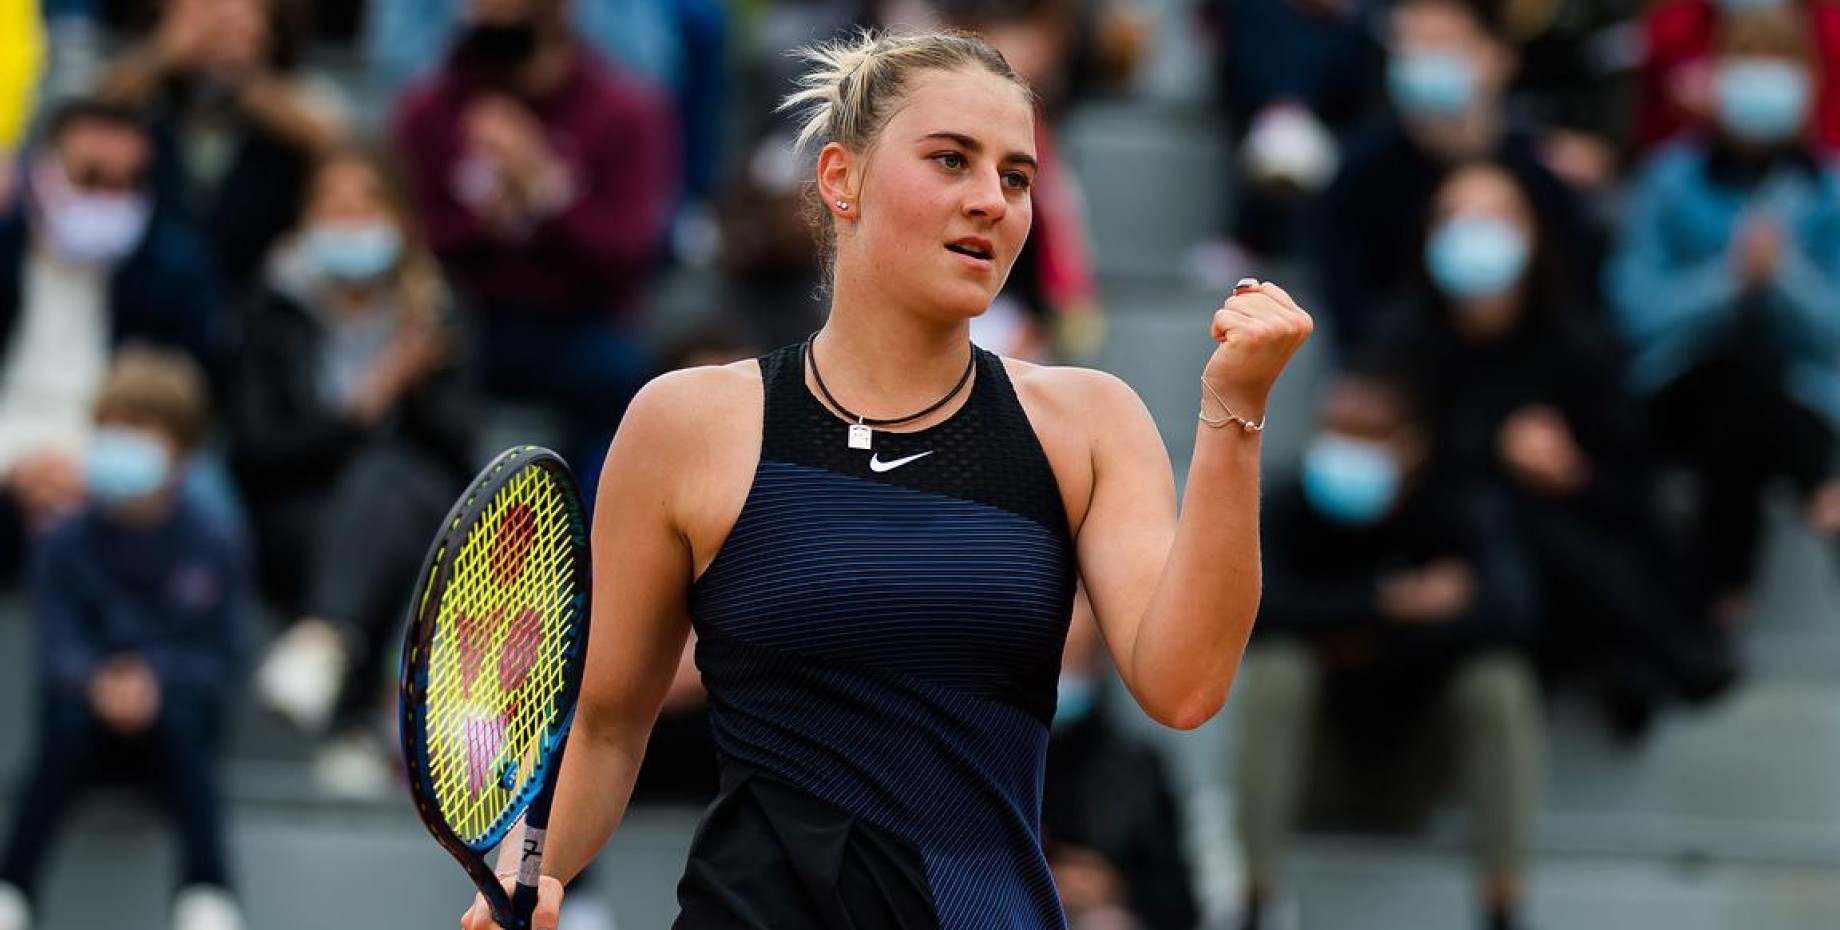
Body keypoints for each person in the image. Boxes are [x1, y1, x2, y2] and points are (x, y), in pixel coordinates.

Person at [458, 27, 1312, 930]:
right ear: (842, 178)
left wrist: (1235, 414)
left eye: (1016, 177)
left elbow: (1186, 687)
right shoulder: (685, 424)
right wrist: (528, 877)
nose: (990, 200)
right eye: (951, 160)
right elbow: (603, 725)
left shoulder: (1090, 423)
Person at [1389, 161, 1735, 734]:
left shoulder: (1577, 342)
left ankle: (1634, 648)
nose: (1472, 232)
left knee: (1552, 522)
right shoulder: (1398, 341)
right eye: (1453, 217)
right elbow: (1387, 460)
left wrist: (1571, 471)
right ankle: (1658, 645)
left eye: (1493, 217)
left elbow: (1629, 477)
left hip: (1558, 543)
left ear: (1532, 233)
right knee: (1505, 514)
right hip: (1447, 542)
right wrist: (1492, 446)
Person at [1233, 364, 1541, 930]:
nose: (1342, 449)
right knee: (1278, 670)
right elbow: (1252, 610)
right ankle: (1256, 900)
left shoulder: (1454, 510)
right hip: (1312, 767)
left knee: (1497, 682)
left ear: (1411, 446)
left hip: (1418, 763)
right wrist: (1390, 603)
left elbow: (1511, 613)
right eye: (1334, 430)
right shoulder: (1289, 504)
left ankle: (1503, 905)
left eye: (1363, 435)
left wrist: (1359, 640)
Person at [228, 148, 475, 797]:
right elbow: (257, 446)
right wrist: (367, 406)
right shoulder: (273, 306)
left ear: (397, 219)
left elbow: (459, 448)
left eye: (365, 205)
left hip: (419, 506)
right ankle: (362, 725)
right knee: (374, 497)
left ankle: (324, 639)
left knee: (390, 479)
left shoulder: (437, 308)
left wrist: (414, 387)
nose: (349, 220)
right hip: (303, 512)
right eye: (333, 207)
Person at [0, 346, 249, 930]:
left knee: (188, 728)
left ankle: (207, 895)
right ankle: (12, 890)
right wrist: (98, 681)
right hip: (85, 722)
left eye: (139, 430)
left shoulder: (215, 539)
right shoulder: (63, 541)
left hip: (175, 724)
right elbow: (58, 645)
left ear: (183, 452)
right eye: (111, 428)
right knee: (61, 728)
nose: (120, 444)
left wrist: (153, 680)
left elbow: (219, 654)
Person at [1606, 5, 1840, 627]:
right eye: (1746, 63)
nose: (1762, 80)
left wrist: (1782, 277)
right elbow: (1632, 312)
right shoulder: (1667, 180)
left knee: (1748, 391)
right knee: (1734, 379)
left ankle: (1720, 593)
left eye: (1779, 64)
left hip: (1796, 398)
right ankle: (1820, 490)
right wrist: (1729, 280)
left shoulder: (1830, 190)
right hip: (1681, 390)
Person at [392, 0, 677, 496]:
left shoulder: (623, 109)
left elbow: (628, 250)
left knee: (627, 380)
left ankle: (595, 525)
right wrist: (485, 216)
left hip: (579, 323)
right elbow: (408, 236)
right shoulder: (432, 109)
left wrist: (543, 185)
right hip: (466, 320)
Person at [0, 97, 219, 579]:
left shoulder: (174, 266)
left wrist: (92, 467)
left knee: (212, 510)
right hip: (8, 442)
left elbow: (183, 398)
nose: (107, 198)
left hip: (122, 448)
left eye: (126, 182)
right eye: (90, 177)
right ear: (44, 171)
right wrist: (14, 466)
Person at [1314, 0, 1593, 352]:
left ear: (1500, 56)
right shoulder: (1358, 177)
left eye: (1440, 43)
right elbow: (1350, 315)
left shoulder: (1544, 179)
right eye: (1407, 46)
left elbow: (1575, 309)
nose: (1421, 61)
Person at [95, 0, 348, 296]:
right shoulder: (145, 92)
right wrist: (164, 53)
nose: (221, 24)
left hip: (260, 290)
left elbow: (341, 148)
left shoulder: (299, 91)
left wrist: (243, 78)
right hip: (141, 284)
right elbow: (88, 114)